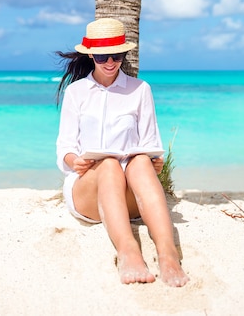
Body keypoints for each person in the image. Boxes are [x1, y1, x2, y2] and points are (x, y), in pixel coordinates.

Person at [56, 17, 189, 287]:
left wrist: (155, 163)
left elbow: (151, 141)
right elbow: (65, 148)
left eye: (116, 55)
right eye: (103, 55)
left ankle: (168, 254)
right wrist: (76, 161)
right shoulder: (76, 92)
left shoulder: (140, 90)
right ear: (91, 54)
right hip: (89, 191)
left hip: (130, 194)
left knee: (139, 161)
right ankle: (128, 252)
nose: (109, 62)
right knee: (107, 164)